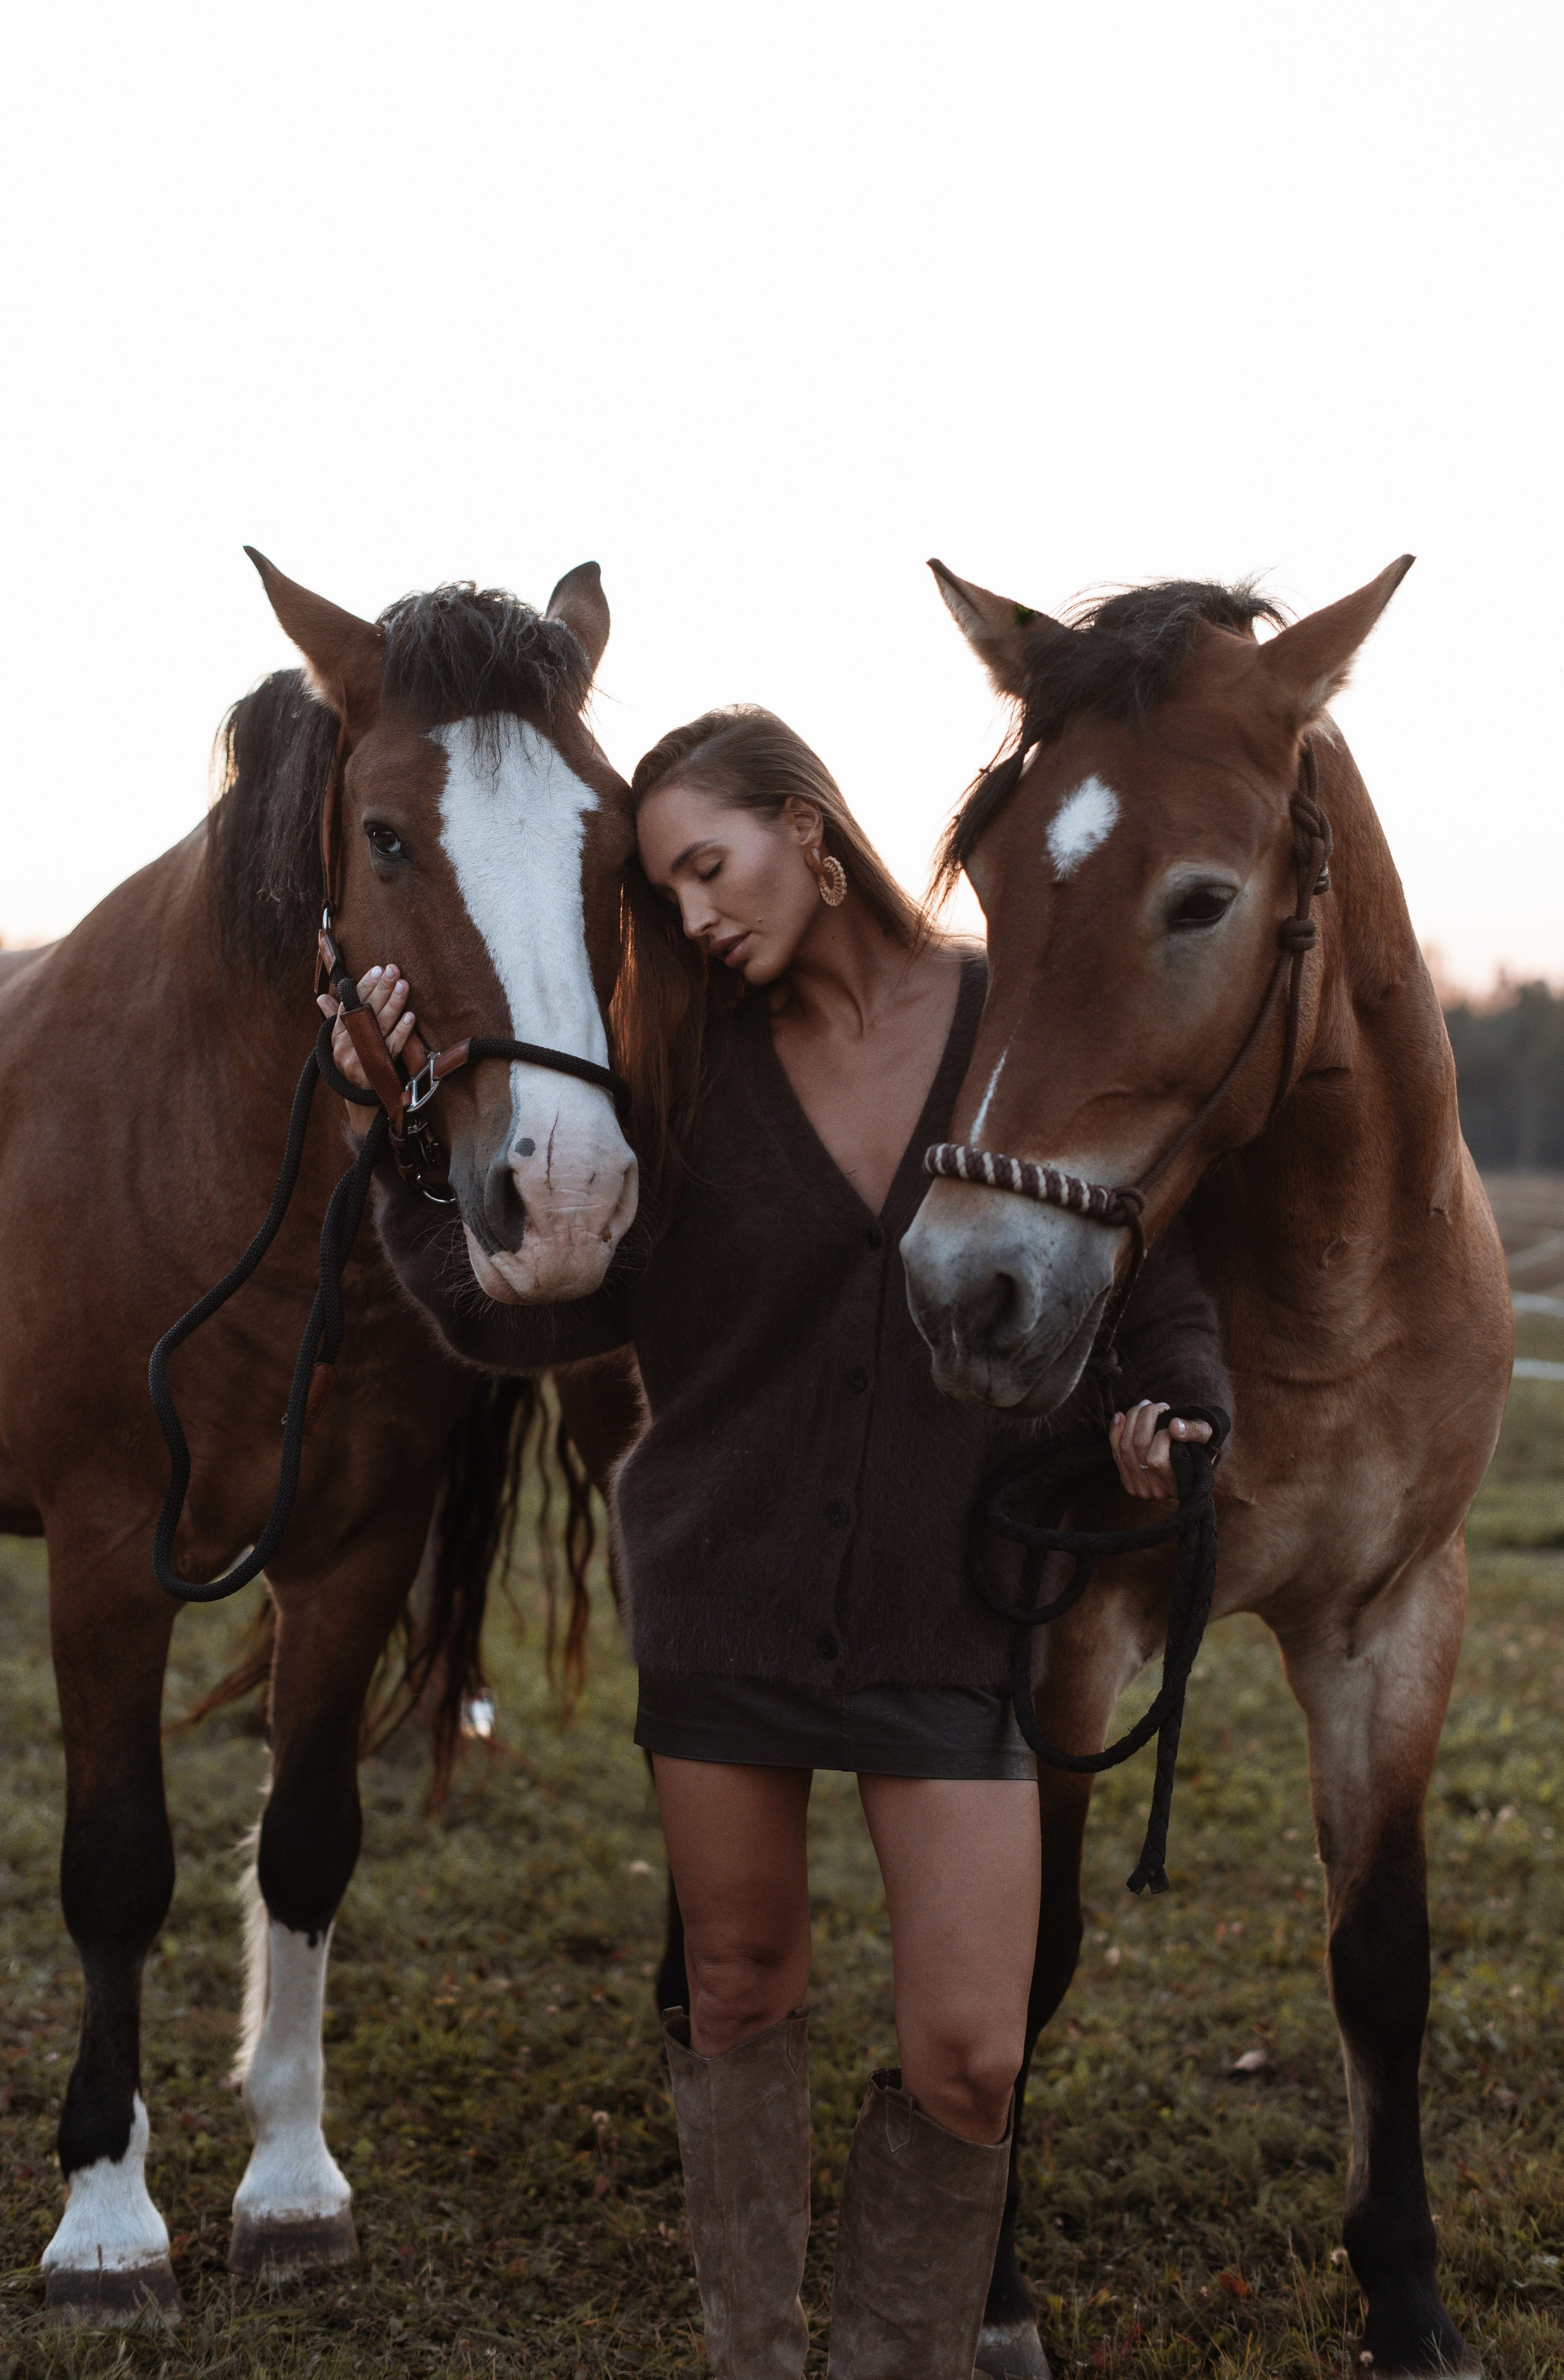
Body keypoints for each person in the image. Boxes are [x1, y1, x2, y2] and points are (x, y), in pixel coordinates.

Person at [327, 707, 1229, 2379]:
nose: (693, 918)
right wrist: (403, 1152)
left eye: (705, 866)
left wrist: (1175, 1415)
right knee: (735, 1987)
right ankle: (754, 2352)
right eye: (663, 892)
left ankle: (894, 2355)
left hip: (955, 1610)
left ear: (810, 829)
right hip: (724, 1603)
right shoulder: (687, 1069)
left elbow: (1148, 1276)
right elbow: (521, 1320)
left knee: (971, 2055)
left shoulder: (1004, 1023)